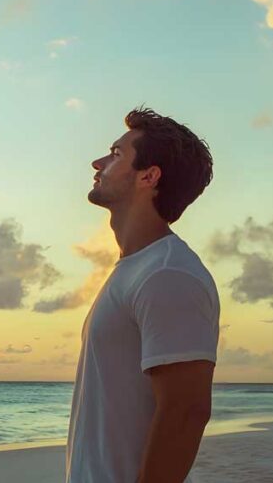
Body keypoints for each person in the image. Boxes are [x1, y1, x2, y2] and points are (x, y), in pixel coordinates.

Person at [67, 106, 219, 483]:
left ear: (149, 176)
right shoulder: (135, 269)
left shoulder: (168, 274)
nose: (98, 162)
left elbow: (187, 411)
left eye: (117, 154)